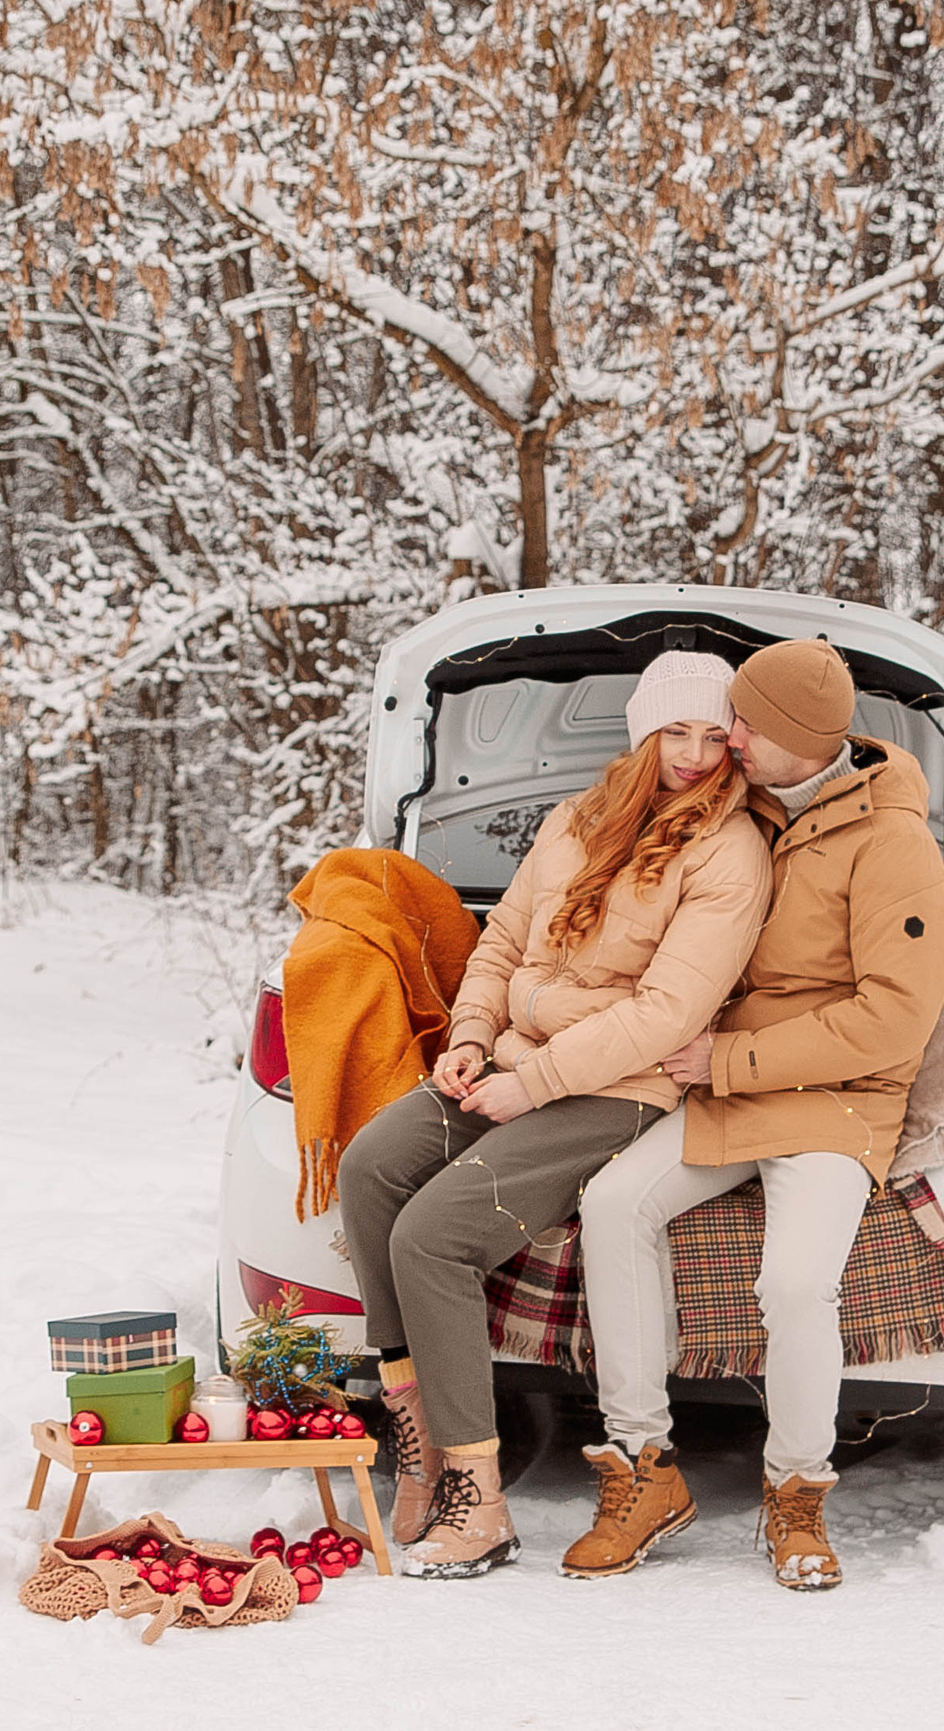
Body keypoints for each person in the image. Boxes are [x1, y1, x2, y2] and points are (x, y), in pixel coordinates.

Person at [338, 651, 772, 1579]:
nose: (694, 755)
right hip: (509, 1056)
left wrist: (531, 1084)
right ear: (642, 731)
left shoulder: (729, 852)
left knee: (435, 1236)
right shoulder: (575, 820)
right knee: (371, 1165)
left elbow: (667, 1013)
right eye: (675, 731)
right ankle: (419, 1432)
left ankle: (478, 1501)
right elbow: (501, 940)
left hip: (618, 1088)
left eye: (713, 736)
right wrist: (470, 1036)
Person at [567, 638, 944, 1591]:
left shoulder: (894, 845)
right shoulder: (750, 802)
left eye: (743, 722)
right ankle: (643, 1468)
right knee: (613, 1205)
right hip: (731, 1087)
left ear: (797, 738)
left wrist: (727, 1059)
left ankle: (795, 1494)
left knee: (794, 1285)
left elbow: (893, 1020)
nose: (726, 736)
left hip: (836, 1100)